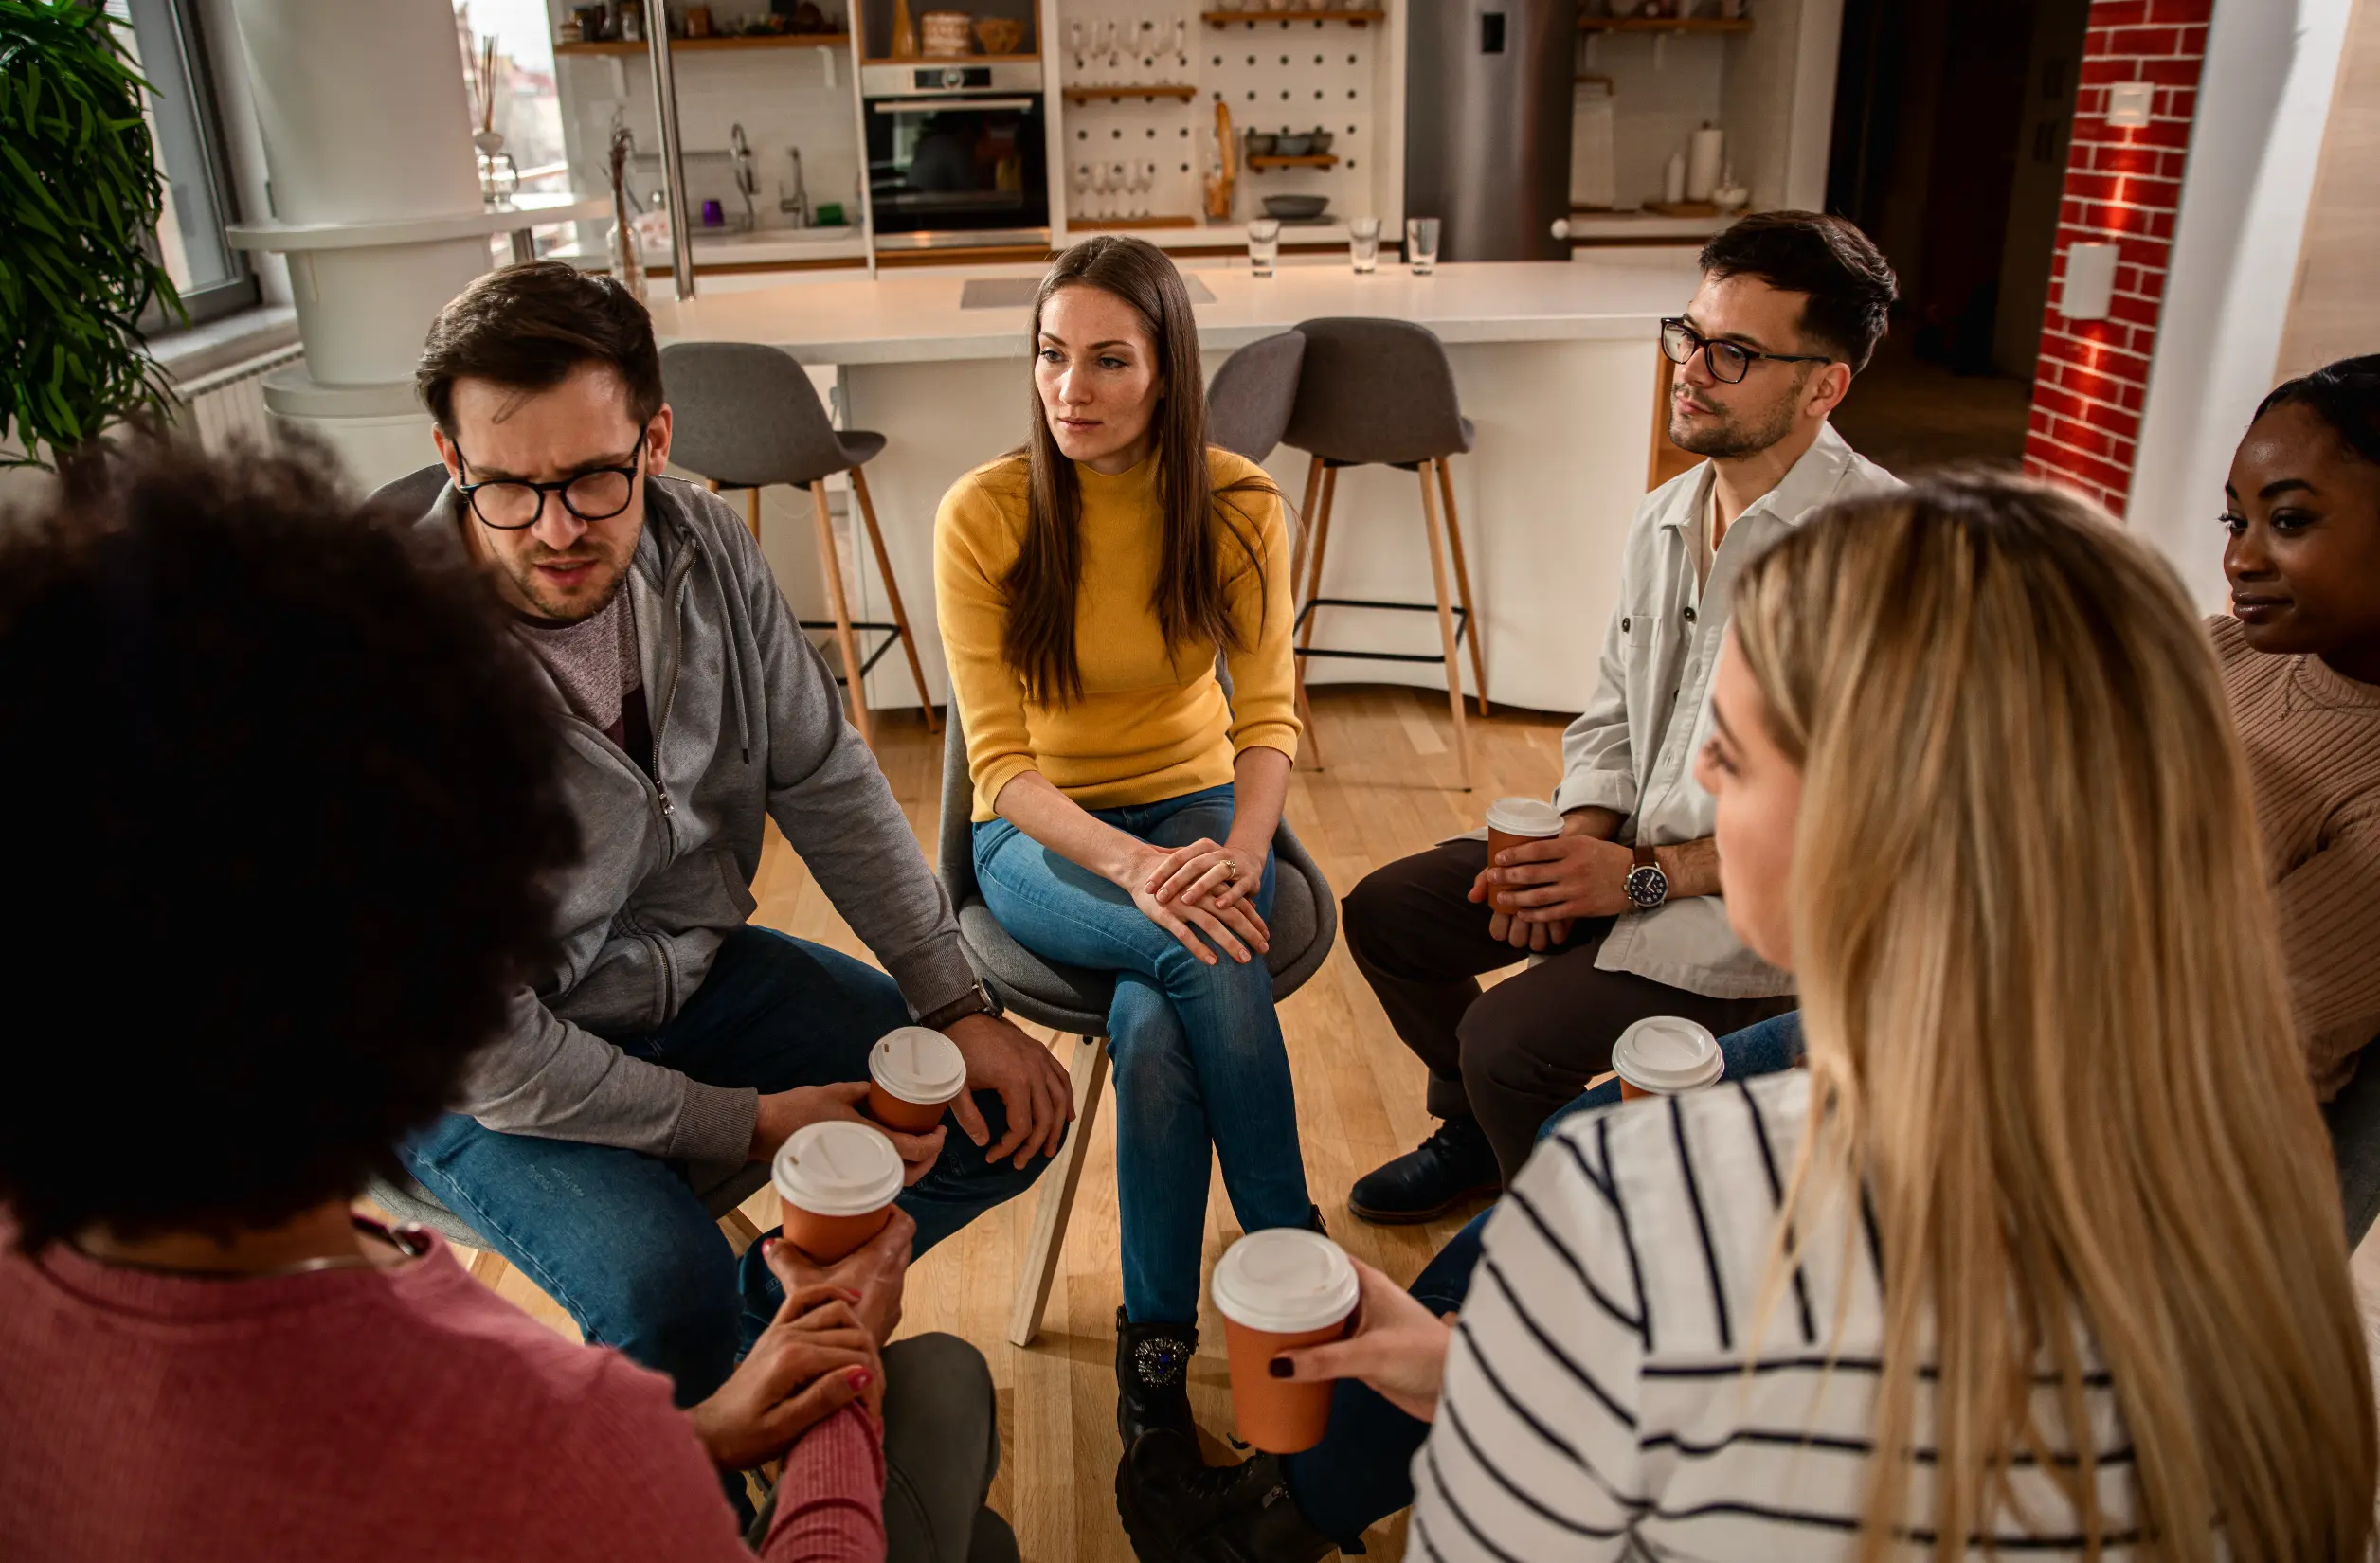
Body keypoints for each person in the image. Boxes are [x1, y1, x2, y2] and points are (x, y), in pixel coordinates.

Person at [1181, 472, 2380, 1559]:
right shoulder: (2271, 1300)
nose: (1699, 777)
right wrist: (1507, 1379)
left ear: (1879, 820)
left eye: (1737, 758)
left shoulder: (1641, 1201)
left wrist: (1546, 1376)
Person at [0, 438, 1012, 1563]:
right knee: (944, 1395)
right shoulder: (542, 1438)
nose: (554, 527)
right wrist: (828, 1372)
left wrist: (702, 1434)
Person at [393, 261, 1072, 1417]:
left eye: (595, 481)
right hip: (476, 1072)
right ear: (453, 461)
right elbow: (486, 1054)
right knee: (667, 1297)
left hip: (694, 980)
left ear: (656, 438)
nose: (555, 530)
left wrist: (957, 1002)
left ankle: (744, 1370)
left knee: (985, 1116)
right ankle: (717, 1406)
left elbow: (823, 776)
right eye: (508, 486)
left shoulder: (705, 544)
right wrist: (748, 1122)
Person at [1342, 210, 1901, 1219]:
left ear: (1825, 385)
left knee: (1503, 1044)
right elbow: (1610, 710)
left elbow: (1857, 828)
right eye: (1687, 335)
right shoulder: (1668, 511)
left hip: (1752, 925)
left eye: (1733, 353)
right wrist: (1579, 843)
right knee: (1388, 916)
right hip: (1631, 861)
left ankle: (1557, 1259)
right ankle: (1476, 1133)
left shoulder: (1880, 557)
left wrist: (1639, 879)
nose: (1690, 368)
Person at [932, 236, 1312, 1458]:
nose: (1070, 390)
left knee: (1161, 1015)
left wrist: (1244, 852)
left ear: (1166, 371)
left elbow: (1265, 718)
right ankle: (1298, 1287)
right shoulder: (983, 513)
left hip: (1198, 809)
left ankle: (1153, 1366)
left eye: (1107, 359)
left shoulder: (1242, 503)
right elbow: (1000, 769)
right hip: (1040, 838)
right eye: (1051, 356)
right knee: (1199, 954)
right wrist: (1137, 869)